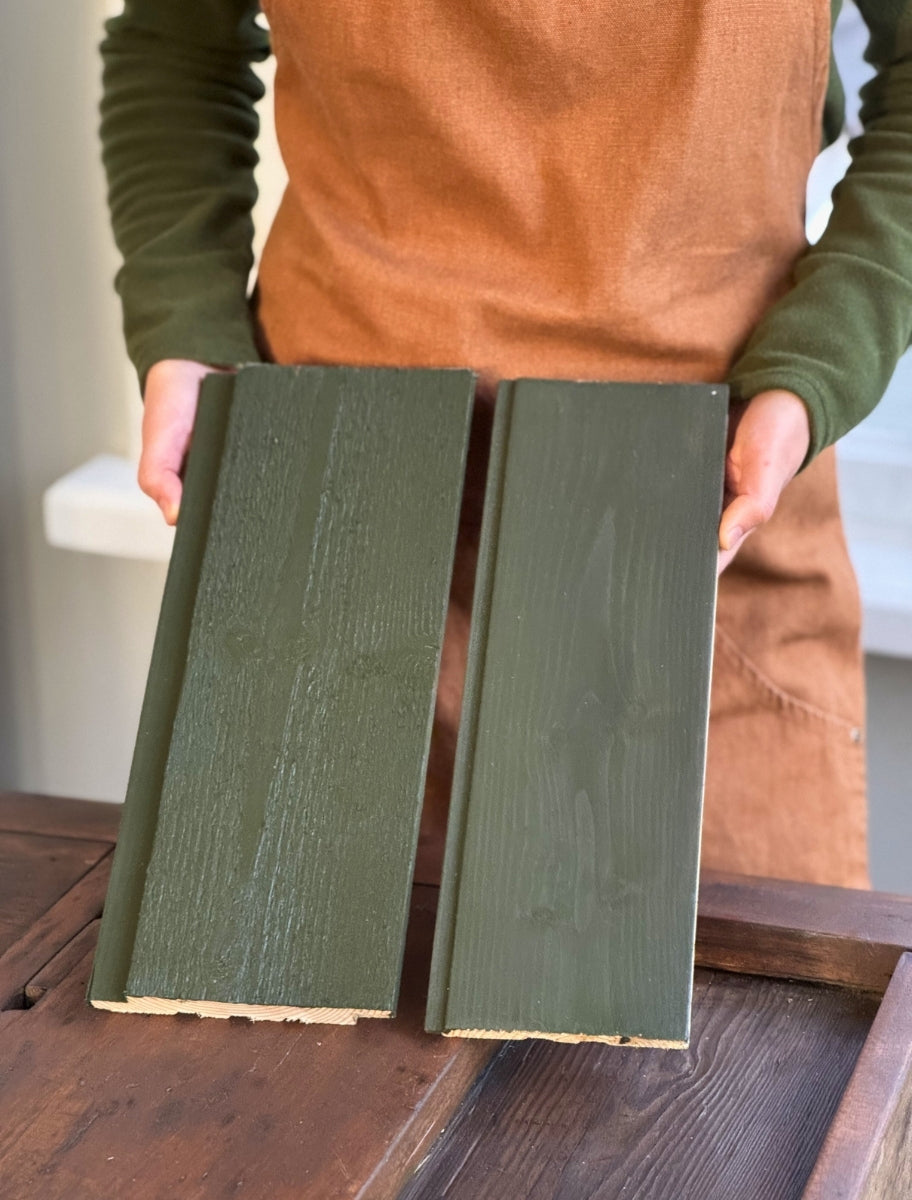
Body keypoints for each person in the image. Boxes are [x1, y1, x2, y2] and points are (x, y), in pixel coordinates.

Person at [99, 1, 912, 889]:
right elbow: (177, 47)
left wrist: (819, 364)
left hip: (695, 525)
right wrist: (186, 325)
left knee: (729, 1014)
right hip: (335, 519)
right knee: (282, 992)